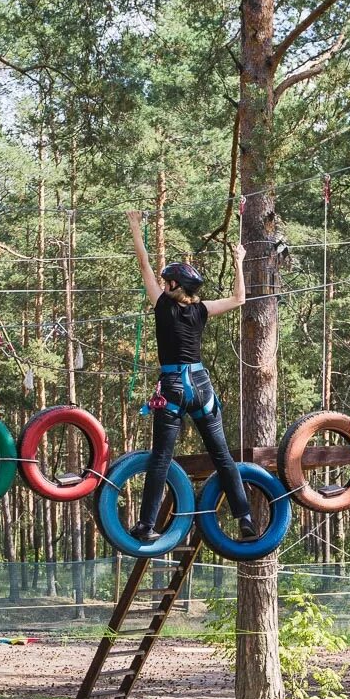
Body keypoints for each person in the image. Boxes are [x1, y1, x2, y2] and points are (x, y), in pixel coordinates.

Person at [125, 210, 254, 542]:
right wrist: (239, 260)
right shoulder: (202, 309)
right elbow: (240, 299)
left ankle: (147, 526)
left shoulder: (162, 305)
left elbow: (143, 265)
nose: (163, 284)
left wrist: (136, 226)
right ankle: (245, 518)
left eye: (167, 281)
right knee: (222, 457)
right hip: (202, 386)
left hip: (173, 387)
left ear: (172, 286)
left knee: (161, 459)